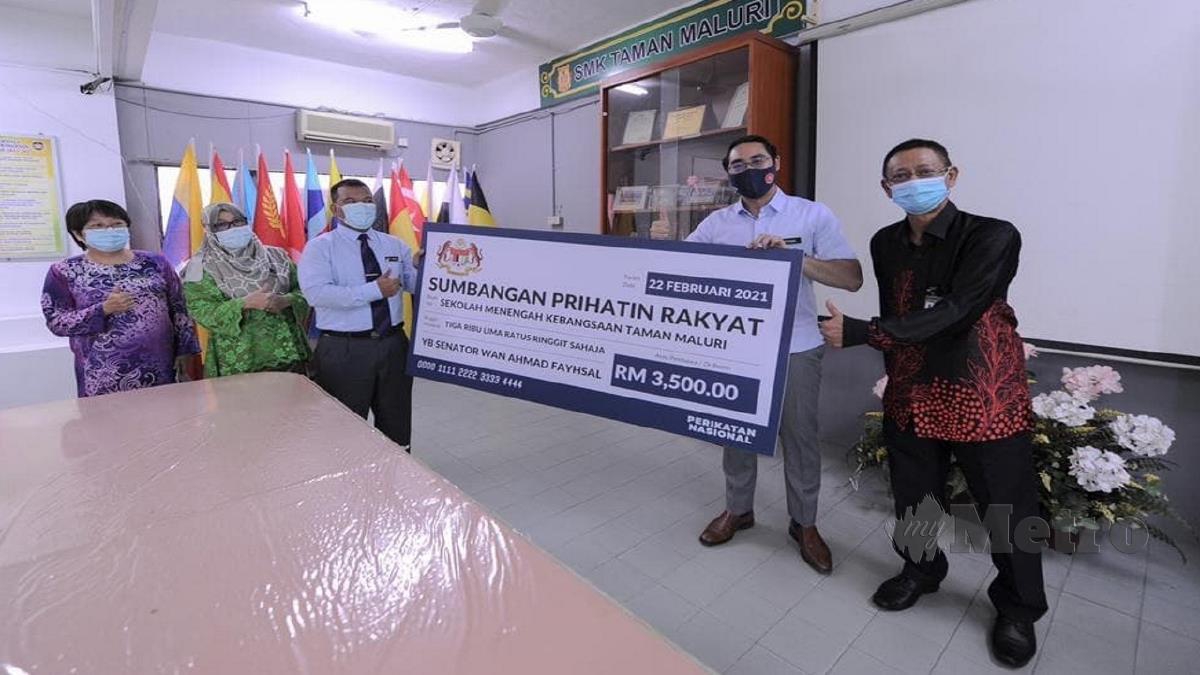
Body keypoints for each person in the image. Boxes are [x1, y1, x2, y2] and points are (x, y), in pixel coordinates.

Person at [820, 139, 1047, 668]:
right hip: (912, 390)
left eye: (925, 170)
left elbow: (962, 307)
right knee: (913, 494)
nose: (913, 181)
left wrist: (862, 333)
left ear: (951, 175)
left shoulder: (992, 235)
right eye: (901, 175)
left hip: (982, 389)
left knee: (1005, 508)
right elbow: (900, 310)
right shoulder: (884, 242)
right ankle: (921, 570)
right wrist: (887, 349)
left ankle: (1018, 607)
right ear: (886, 188)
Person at [687, 134, 862, 574]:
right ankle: (738, 509)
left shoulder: (811, 214)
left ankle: (804, 524)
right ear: (728, 173)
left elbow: (851, 277)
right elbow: (679, 268)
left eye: (757, 159)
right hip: (733, 347)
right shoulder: (716, 223)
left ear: (776, 162)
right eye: (737, 164)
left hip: (796, 345)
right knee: (734, 431)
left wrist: (795, 258)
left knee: (799, 438)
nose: (748, 169)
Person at [299, 178, 418, 450]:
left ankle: (398, 477)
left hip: (393, 344)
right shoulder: (320, 247)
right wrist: (374, 290)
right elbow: (317, 294)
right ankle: (349, 482)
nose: (361, 207)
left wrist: (429, 266)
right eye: (350, 202)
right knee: (345, 426)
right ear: (335, 209)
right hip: (344, 349)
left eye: (366, 201)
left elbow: (412, 283)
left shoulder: (394, 244)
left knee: (396, 420)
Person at [41, 199, 200, 397]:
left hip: (160, 365)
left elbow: (179, 308)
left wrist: (186, 351)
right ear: (78, 234)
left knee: (166, 419)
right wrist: (103, 310)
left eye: (117, 224)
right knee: (110, 424)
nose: (109, 230)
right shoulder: (64, 271)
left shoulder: (154, 262)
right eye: (97, 226)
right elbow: (57, 321)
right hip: (103, 372)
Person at [182, 203, 310, 376]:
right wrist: (244, 303)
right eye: (221, 225)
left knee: (296, 401)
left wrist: (286, 300)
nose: (232, 228)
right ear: (209, 230)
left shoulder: (276, 256)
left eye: (237, 222)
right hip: (239, 358)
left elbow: (306, 291)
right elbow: (201, 311)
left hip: (288, 350)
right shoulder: (199, 267)